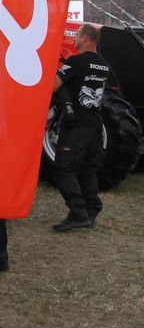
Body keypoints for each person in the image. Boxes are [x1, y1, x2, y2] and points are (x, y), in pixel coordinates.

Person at [50, 24, 114, 231]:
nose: (75, 40)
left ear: (85, 38)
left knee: (63, 169)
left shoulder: (76, 61)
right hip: (96, 125)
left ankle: (78, 213)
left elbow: (54, 86)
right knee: (87, 170)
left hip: (77, 125)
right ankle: (92, 209)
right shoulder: (104, 65)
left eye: (77, 36)